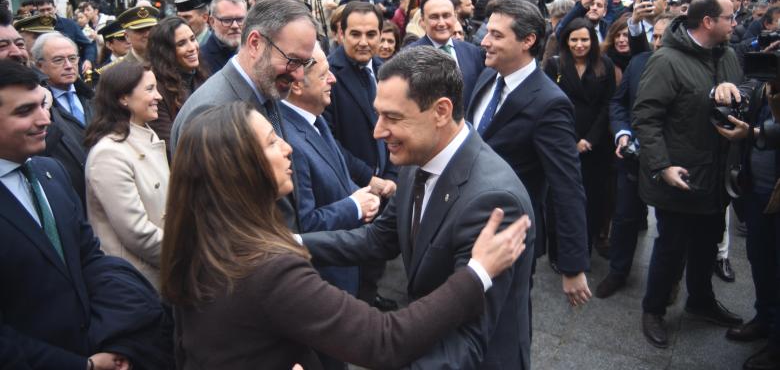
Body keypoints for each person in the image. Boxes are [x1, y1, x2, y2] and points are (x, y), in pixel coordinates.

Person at [161, 101, 530, 369]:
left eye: (392, 116)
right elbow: (383, 339)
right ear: (240, 167)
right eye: (273, 142)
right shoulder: (268, 270)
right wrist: (477, 273)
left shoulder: (202, 239)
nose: (288, 148)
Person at [304, 47, 536, 369]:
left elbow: (467, 340)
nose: (378, 131)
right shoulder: (417, 157)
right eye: (378, 114)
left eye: (393, 118)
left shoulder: (493, 202)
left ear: (441, 111)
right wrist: (291, 245)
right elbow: (377, 240)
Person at [0, 59, 173, 369]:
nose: (45, 120)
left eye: (42, 105)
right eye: (25, 112)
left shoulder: (50, 173)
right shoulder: (108, 153)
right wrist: (82, 366)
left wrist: (120, 342)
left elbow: (90, 261)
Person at [634, 0, 743, 349]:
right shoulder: (666, 60)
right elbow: (646, 119)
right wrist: (662, 166)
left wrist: (736, 93)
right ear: (708, 21)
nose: (735, 23)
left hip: (717, 176)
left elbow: (744, 92)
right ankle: (653, 310)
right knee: (670, 249)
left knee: (706, 246)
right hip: (680, 177)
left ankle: (700, 301)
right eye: (729, 17)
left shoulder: (727, 54)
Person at [468, 0, 591, 304]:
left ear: (528, 41)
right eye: (487, 32)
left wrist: (573, 266)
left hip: (509, 235)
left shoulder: (550, 103)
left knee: (504, 324)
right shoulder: (487, 76)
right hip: (466, 224)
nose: (484, 42)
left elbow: (567, 186)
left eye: (496, 35)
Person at [172, 0, 319, 232]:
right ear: (254, 43)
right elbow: (221, 230)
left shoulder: (266, 88)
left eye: (306, 63)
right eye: (293, 61)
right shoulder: (212, 112)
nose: (299, 75)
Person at [281, 43, 381, 297]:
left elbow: (338, 179)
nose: (333, 79)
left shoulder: (315, 119)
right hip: (326, 282)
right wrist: (355, 206)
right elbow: (304, 226)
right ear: (297, 84)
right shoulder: (289, 142)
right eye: (324, 74)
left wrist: (362, 196)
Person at [324, 0, 398, 308]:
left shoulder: (387, 71)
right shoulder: (328, 73)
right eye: (355, 34)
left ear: (383, 34)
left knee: (376, 256)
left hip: (387, 184)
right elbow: (329, 142)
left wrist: (392, 177)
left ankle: (369, 296)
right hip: (350, 189)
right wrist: (371, 179)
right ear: (340, 33)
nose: (364, 42)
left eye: (371, 34)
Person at [596, 15, 671, 299]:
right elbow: (619, 103)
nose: (659, 43)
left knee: (667, 228)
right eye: (655, 37)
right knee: (624, 217)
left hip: (669, 162)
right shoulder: (639, 63)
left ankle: (664, 289)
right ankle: (618, 271)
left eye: (665, 37)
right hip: (632, 158)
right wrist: (622, 133)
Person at [712, 79, 780, 370]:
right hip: (758, 190)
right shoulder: (767, 82)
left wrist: (753, 132)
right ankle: (764, 319)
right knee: (759, 259)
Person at [84, 61, 168, 288]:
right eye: (149, 89)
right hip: (140, 282)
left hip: (162, 272)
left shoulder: (145, 136)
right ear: (123, 98)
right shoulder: (109, 154)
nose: (158, 96)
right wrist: (184, 252)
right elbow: (136, 232)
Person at [544, 18, 616, 254]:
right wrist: (572, 138)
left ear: (592, 41)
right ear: (566, 41)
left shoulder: (604, 64)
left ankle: (584, 246)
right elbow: (550, 104)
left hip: (595, 145)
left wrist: (589, 140)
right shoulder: (555, 65)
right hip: (563, 142)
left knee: (591, 199)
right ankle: (557, 250)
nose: (579, 45)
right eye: (574, 39)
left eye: (584, 39)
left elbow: (608, 105)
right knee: (560, 200)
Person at [32, 33, 94, 206]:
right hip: (70, 199)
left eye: (72, 58)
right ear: (39, 66)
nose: (68, 66)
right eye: (58, 60)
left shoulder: (93, 95)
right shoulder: (38, 106)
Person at [407, 0, 485, 107]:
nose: (441, 23)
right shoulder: (409, 57)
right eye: (434, 17)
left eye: (446, 15)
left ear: (455, 16)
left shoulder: (473, 52)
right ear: (422, 21)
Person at [148, 16, 209, 150]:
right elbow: (171, 144)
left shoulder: (202, 77)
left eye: (193, 39)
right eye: (181, 44)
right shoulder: (156, 91)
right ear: (165, 52)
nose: (192, 47)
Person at [36, 0, 97, 75]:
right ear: (37, 11)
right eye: (42, 10)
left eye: (48, 9)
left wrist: (88, 60)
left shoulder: (70, 25)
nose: (46, 13)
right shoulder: (35, 29)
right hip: (46, 75)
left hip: (72, 71)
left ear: (55, 8)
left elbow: (88, 45)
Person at [199, 0, 247, 74]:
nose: (235, 26)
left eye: (240, 19)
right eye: (227, 20)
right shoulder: (200, 60)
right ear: (212, 22)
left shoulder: (255, 54)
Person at [600, 15, 631, 83]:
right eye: (617, 35)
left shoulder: (640, 60)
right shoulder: (603, 61)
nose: (621, 40)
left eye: (626, 35)